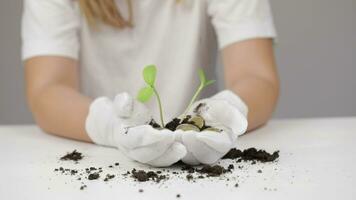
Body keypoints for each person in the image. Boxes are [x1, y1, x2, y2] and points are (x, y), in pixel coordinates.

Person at [22, 0, 279, 166]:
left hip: (204, 159)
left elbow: (258, 76)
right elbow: (48, 89)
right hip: (101, 159)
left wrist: (221, 114)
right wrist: (109, 126)